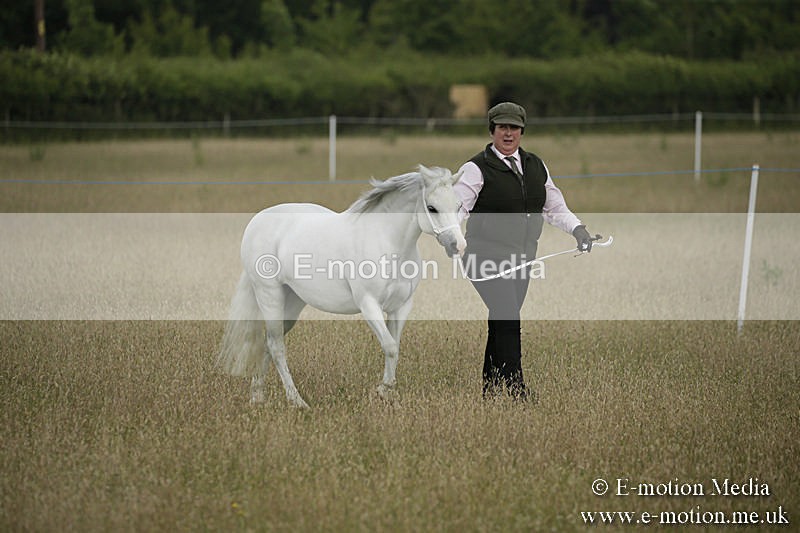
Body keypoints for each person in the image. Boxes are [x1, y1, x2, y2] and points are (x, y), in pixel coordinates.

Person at [454, 101, 594, 402]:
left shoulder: (535, 166)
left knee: (502, 318)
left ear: (522, 131)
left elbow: (554, 206)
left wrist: (578, 230)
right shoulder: (475, 168)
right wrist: (452, 238)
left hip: (523, 259)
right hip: (483, 256)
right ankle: (517, 390)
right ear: (492, 130)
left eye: (514, 128)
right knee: (508, 317)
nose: (508, 133)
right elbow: (457, 209)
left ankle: (490, 390)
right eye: (502, 127)